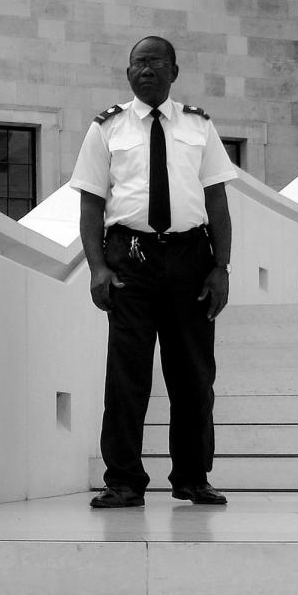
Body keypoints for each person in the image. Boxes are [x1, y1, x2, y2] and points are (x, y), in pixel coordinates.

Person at [69, 35, 238, 508]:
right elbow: (90, 202)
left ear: (174, 72)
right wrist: (97, 267)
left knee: (193, 375)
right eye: (139, 64)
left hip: (189, 259)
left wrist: (221, 267)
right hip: (130, 258)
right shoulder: (106, 128)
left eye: (156, 63)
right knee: (126, 376)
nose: (147, 70)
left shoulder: (199, 127)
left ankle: (192, 477)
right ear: (128, 74)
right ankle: (123, 480)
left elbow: (217, 201)